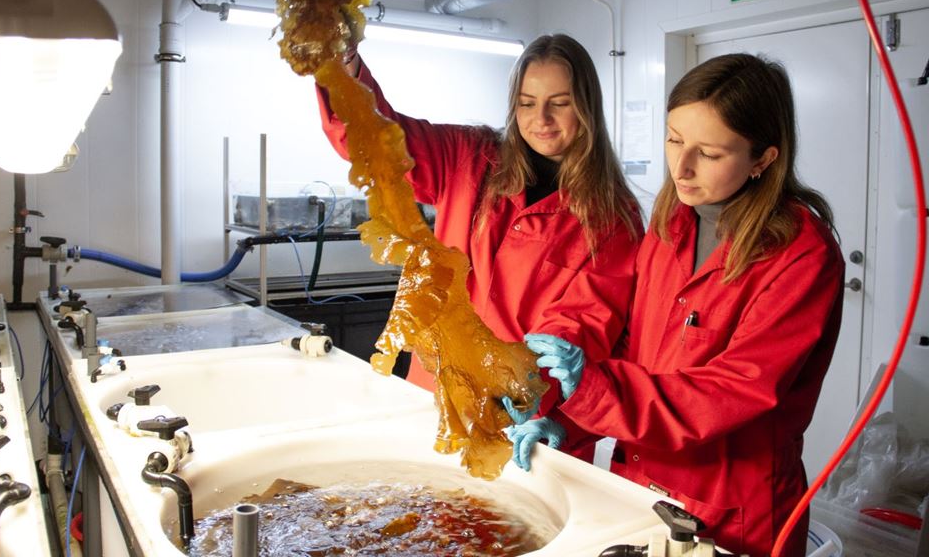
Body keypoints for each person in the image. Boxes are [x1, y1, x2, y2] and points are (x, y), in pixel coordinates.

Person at [506, 53, 845, 557]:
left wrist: (598, 390)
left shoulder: (801, 254)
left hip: (729, 505)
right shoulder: (673, 223)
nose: (680, 167)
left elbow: (735, 390)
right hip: (639, 482)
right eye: (673, 139)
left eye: (708, 153)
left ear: (763, 158)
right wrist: (568, 417)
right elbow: (636, 347)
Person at [315, 34, 643, 461]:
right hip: (430, 402)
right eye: (527, 103)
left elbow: (582, 328)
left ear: (586, 106)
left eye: (559, 103)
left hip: (524, 429)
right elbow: (378, 142)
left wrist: (549, 415)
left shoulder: (611, 217)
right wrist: (344, 65)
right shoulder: (468, 158)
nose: (541, 118)